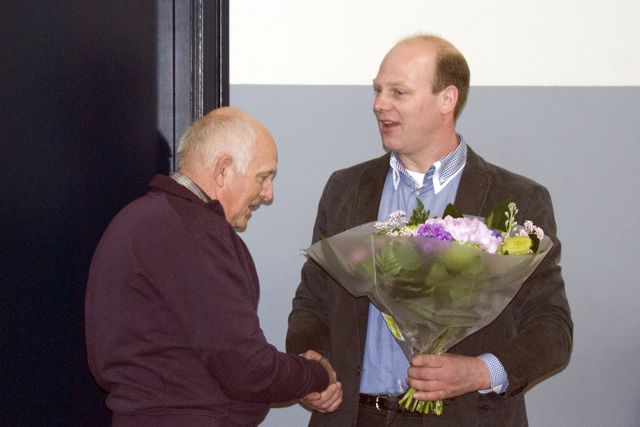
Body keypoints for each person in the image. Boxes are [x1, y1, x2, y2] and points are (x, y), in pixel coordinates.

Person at [286, 35, 572, 426]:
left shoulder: (517, 200)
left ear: (446, 99)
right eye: (378, 90)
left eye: (398, 92)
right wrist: (310, 363)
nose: (379, 104)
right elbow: (312, 304)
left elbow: (552, 330)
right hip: (352, 416)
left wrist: (479, 372)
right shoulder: (344, 190)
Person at [85, 107, 343, 426]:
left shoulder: (138, 219)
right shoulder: (189, 231)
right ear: (223, 169)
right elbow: (246, 368)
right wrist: (315, 374)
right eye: (263, 177)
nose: (268, 194)